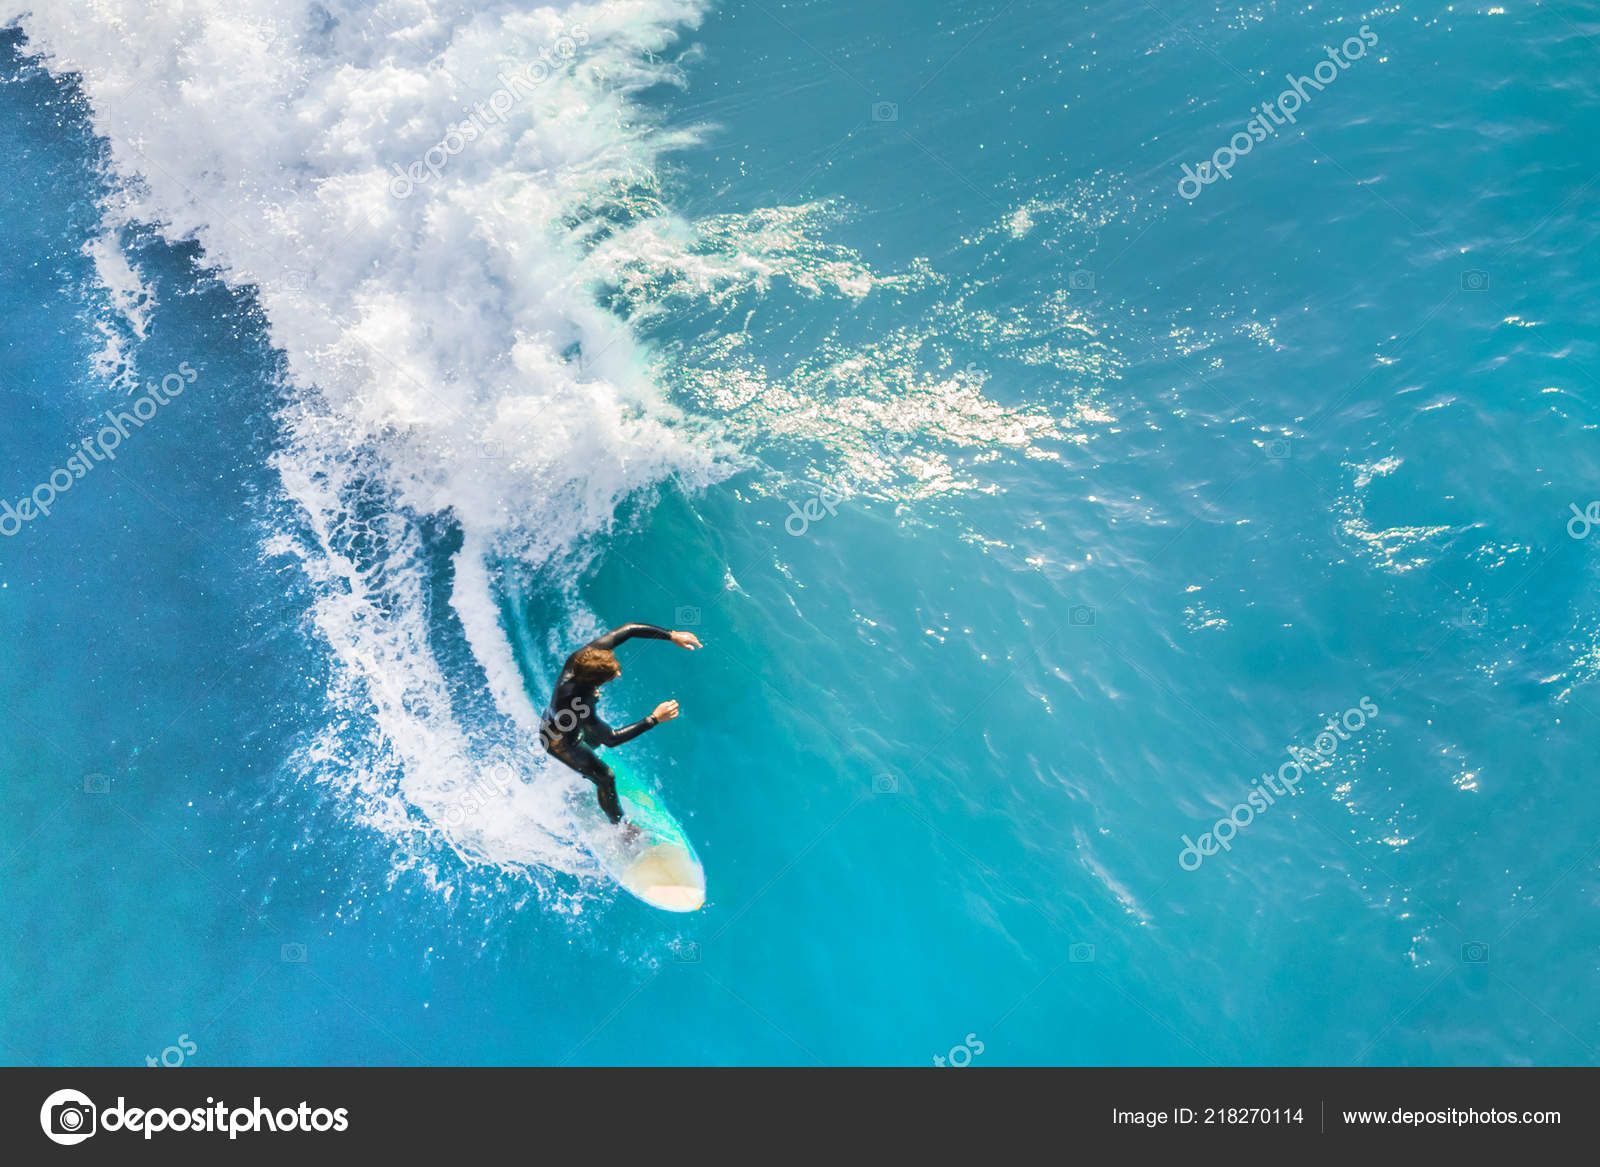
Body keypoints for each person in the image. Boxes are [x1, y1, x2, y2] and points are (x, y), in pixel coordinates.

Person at [540, 622, 702, 826]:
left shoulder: (584, 658)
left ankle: (581, 772)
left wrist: (671, 634)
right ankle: (620, 826)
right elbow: (611, 739)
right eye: (612, 675)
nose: (618, 674)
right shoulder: (578, 704)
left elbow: (630, 629)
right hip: (558, 741)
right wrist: (654, 718)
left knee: (591, 742)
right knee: (606, 777)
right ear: (593, 682)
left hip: (563, 722)